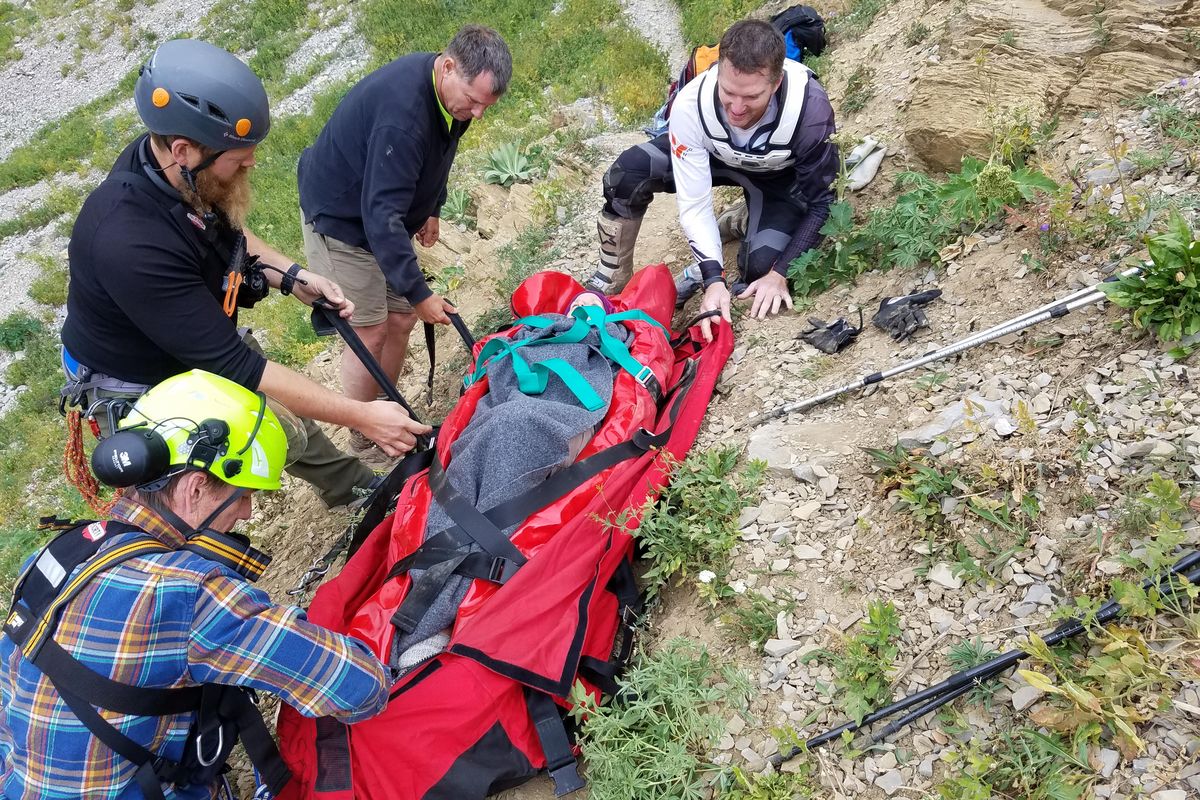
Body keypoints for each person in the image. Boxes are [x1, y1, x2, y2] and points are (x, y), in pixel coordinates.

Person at [59, 38, 430, 509]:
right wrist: (363, 416)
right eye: (239, 157)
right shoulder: (127, 240)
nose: (252, 163)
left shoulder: (163, 165)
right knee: (192, 489)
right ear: (184, 151)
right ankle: (192, 569)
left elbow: (221, 225)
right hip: (139, 378)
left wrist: (290, 275)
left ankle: (351, 486)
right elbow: (237, 367)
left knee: (276, 411)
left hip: (187, 327)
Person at [0, 370, 389, 800]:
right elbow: (359, 687)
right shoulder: (191, 593)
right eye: (241, 495)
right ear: (196, 487)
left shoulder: (54, 556)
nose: (245, 513)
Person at [298, 24, 511, 466]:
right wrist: (421, 292)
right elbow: (380, 216)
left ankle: (387, 411)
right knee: (369, 330)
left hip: (383, 215)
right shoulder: (404, 117)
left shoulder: (447, 93)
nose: (476, 114)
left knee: (400, 320)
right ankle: (365, 434)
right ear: (449, 65)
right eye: (473, 101)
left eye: (485, 106)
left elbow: (442, 150)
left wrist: (433, 205)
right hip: (342, 219)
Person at [584, 19, 838, 342]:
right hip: (714, 158)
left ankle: (747, 218)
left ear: (776, 83)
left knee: (761, 269)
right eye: (728, 92)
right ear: (718, 71)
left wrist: (780, 273)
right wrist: (713, 279)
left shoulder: (809, 110)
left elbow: (824, 203)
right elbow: (694, 204)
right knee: (628, 172)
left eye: (751, 97)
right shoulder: (692, 104)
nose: (736, 107)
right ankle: (612, 274)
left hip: (778, 178)